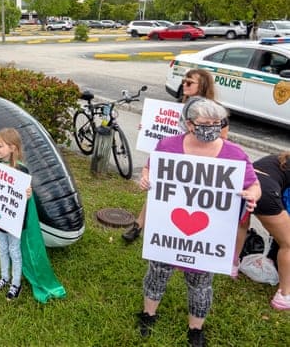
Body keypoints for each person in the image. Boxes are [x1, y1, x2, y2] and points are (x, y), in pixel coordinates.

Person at [137, 98, 260, 347]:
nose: (212, 128)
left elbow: (253, 184)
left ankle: (196, 329)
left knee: (201, 282)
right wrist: (145, 178)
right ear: (189, 124)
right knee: (158, 272)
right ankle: (148, 314)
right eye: (205, 123)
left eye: (217, 123)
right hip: (168, 228)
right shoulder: (168, 146)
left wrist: (252, 196)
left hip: (208, 235)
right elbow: (150, 169)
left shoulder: (234, 154)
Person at [122, 69, 229, 244]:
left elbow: (223, 138)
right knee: (158, 190)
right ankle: (139, 226)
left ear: (202, 85)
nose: (184, 85)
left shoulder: (214, 111)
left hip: (200, 163)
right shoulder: (186, 104)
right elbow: (173, 130)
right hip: (177, 158)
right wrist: (149, 128)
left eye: (189, 83)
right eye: (183, 81)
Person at [0, 128, 33, 300]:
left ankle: (16, 283)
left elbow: (25, 196)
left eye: (0, 146)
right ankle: (4, 277)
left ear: (13, 148)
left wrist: (28, 194)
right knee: (2, 248)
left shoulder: (22, 171)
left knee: (14, 250)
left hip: (14, 220)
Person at [248, 151, 290, 310]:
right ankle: (284, 296)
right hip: (265, 191)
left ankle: (232, 268)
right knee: (288, 243)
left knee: (242, 223)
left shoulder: (279, 158)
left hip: (245, 183)